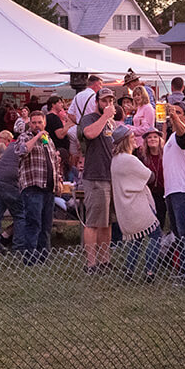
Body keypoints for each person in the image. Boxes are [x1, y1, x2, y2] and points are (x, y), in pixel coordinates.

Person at [110, 126, 161, 281]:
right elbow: (150, 176)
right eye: (132, 137)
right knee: (155, 234)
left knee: (136, 238)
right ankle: (150, 271)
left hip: (125, 205)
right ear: (125, 141)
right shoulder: (129, 159)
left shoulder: (115, 160)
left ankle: (129, 270)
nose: (135, 140)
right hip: (136, 203)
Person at [78, 87, 117, 272]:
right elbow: (89, 134)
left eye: (110, 101)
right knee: (93, 221)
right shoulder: (90, 118)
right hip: (95, 176)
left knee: (107, 221)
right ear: (97, 102)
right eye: (104, 101)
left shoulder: (110, 122)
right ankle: (91, 263)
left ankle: (105, 260)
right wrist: (104, 117)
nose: (108, 104)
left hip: (110, 176)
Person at [17, 109, 63, 263]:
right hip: (32, 187)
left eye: (39, 122)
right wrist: (37, 136)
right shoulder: (25, 136)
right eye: (34, 122)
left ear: (45, 123)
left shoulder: (49, 140)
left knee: (46, 224)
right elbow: (21, 151)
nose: (37, 125)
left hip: (48, 187)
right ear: (30, 123)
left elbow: (54, 163)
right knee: (33, 222)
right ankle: (30, 258)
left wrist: (59, 181)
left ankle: (43, 257)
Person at [162, 101, 185, 283]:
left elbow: (183, 134)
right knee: (178, 233)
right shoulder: (171, 136)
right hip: (172, 191)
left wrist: (174, 117)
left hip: (182, 190)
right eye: (172, 111)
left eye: (178, 112)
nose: (173, 114)